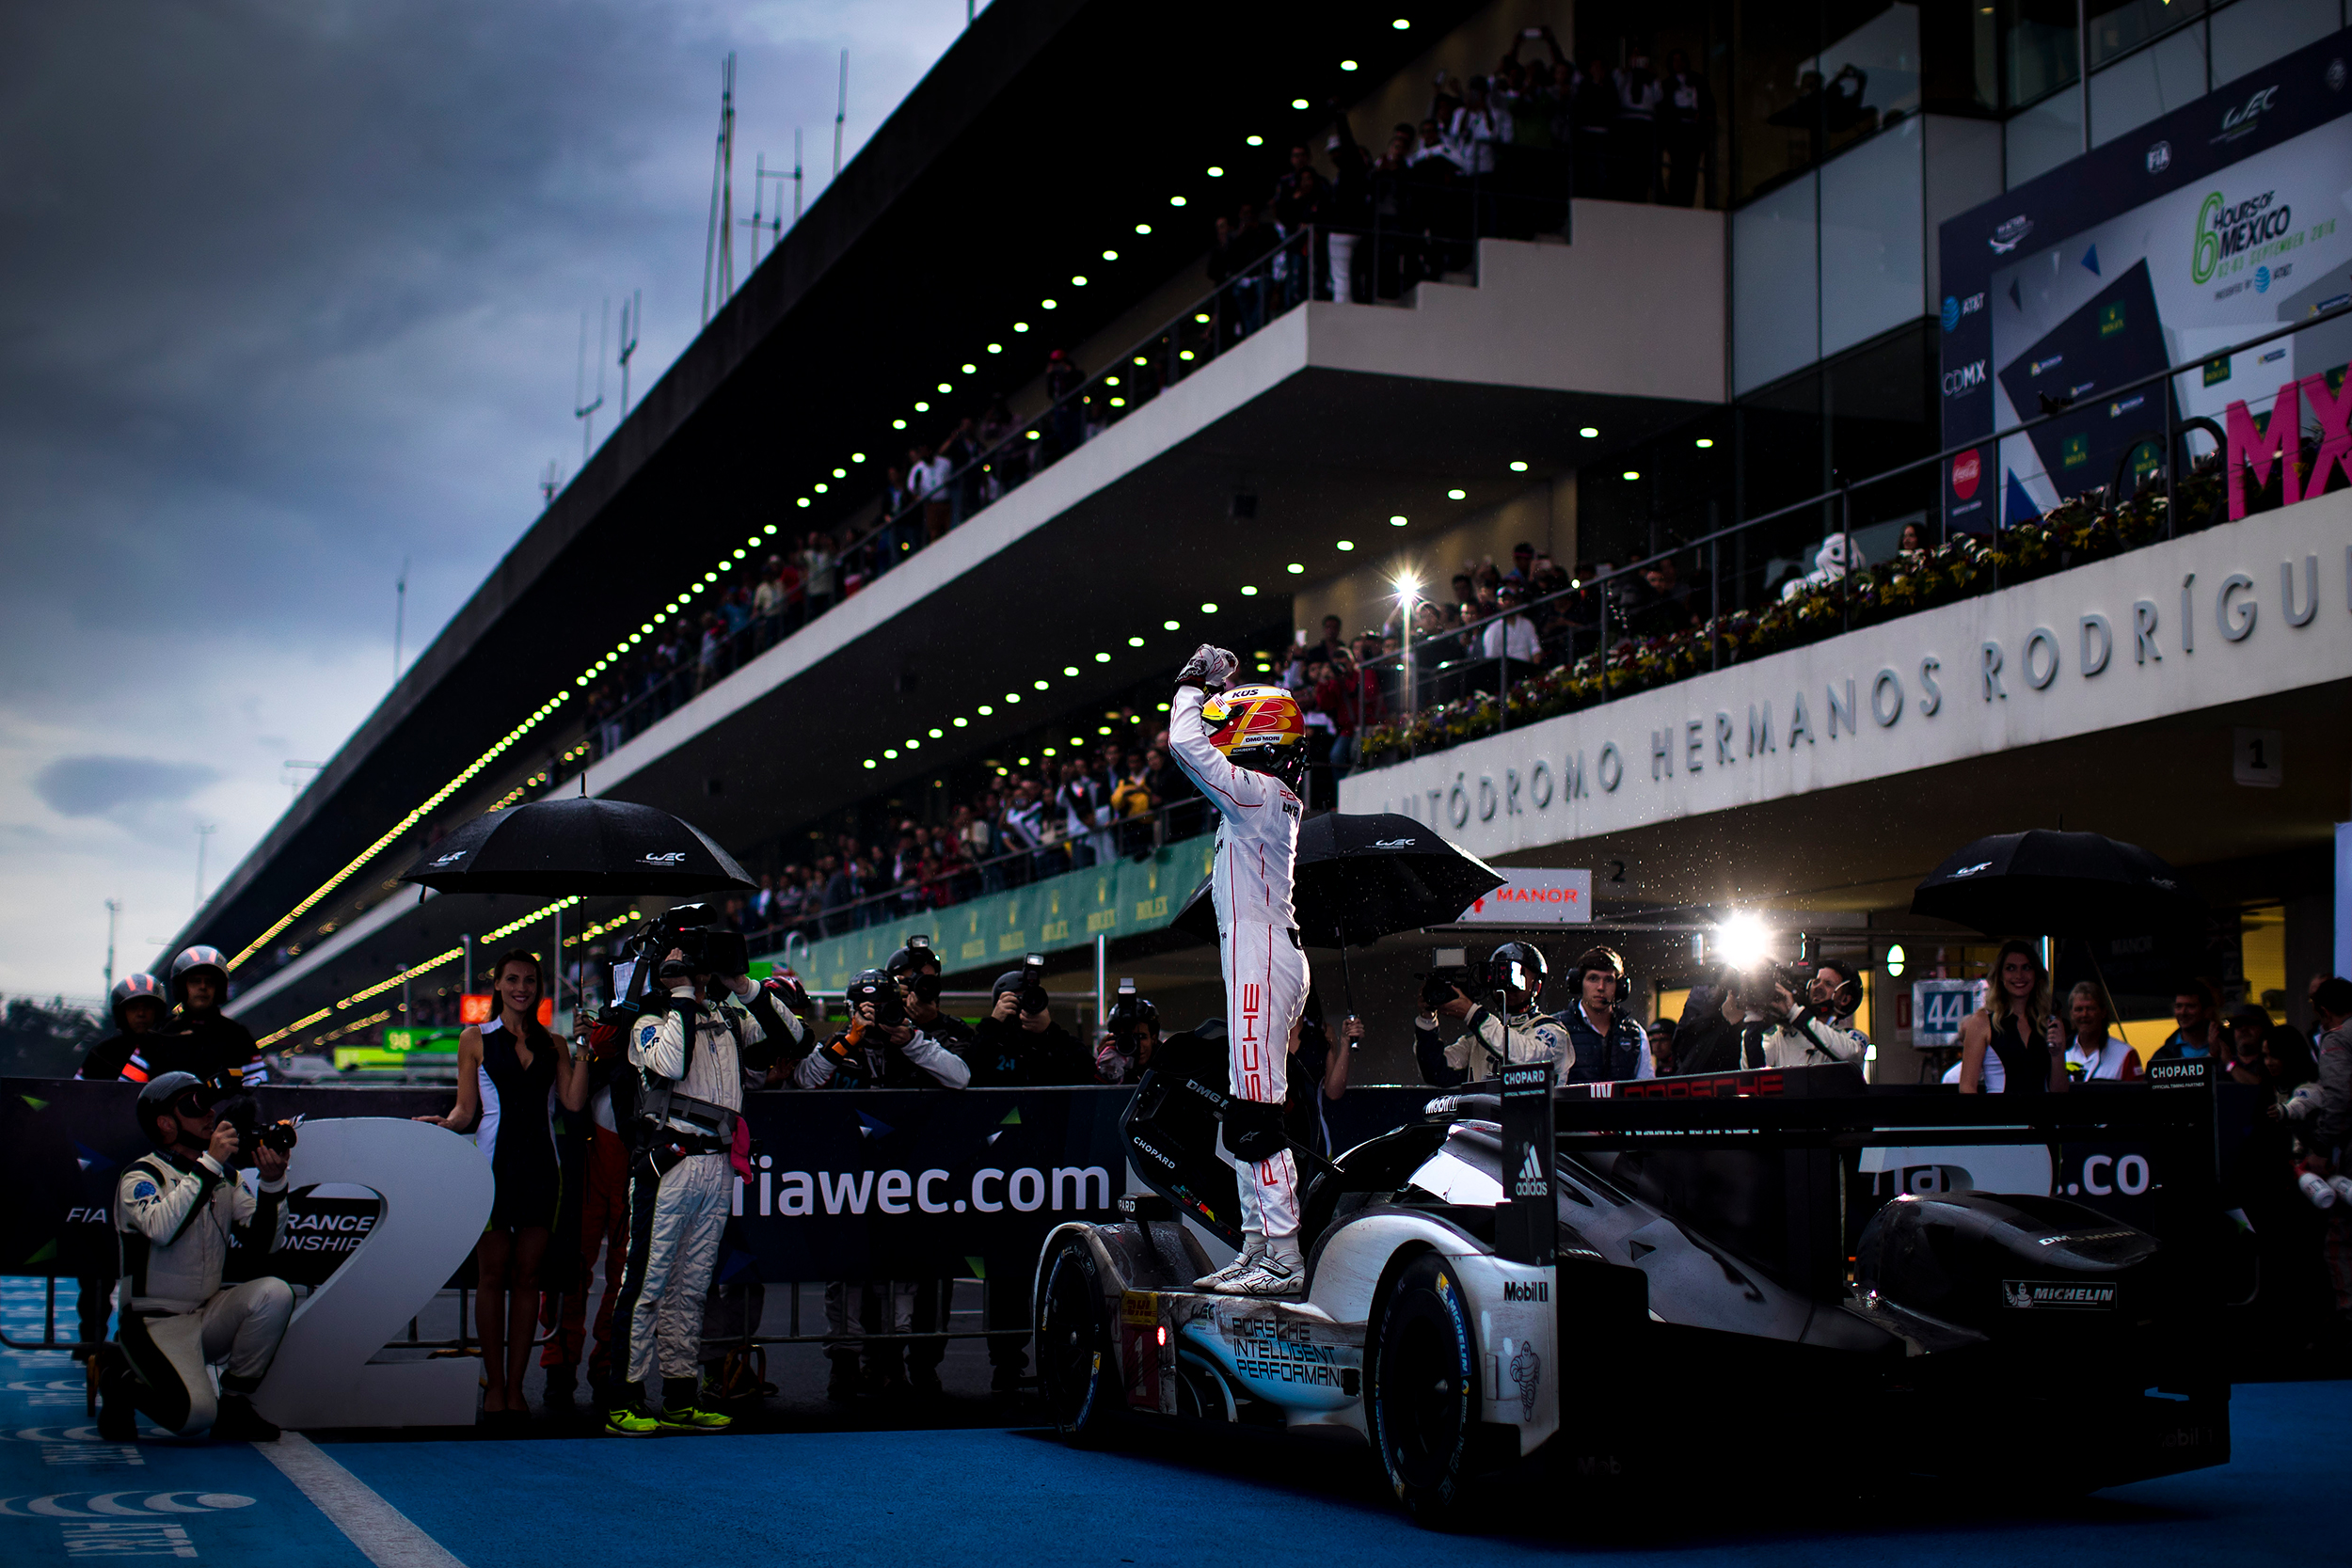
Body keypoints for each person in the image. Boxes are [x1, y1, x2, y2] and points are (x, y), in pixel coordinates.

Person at [605, 949, 812, 1436]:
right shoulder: (648, 1019)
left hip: (718, 1163)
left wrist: (744, 984)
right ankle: (624, 1397)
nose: (701, 971)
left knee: (692, 1287)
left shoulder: (727, 1015)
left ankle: (680, 1396)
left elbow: (795, 1039)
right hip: (670, 1161)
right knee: (646, 1286)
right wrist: (679, 994)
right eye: (690, 962)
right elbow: (672, 1064)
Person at [1168, 647, 1313, 1296]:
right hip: (1264, 951)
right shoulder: (1269, 796)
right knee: (1246, 1104)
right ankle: (1259, 1244)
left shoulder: (1256, 795)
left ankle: (1283, 1254)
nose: (1221, 736)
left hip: (1260, 955)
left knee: (1256, 1113)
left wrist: (1194, 681)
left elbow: (1182, 744)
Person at [414, 952, 591, 1418]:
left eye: (530, 980)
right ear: (497, 984)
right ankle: (494, 1387)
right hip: (490, 1171)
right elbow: (466, 1111)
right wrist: (446, 1125)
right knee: (491, 1278)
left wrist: (585, 1047)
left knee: (528, 1279)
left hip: (541, 1171)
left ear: (539, 987)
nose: (521, 988)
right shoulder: (474, 1038)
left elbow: (572, 1102)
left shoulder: (554, 1043)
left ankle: (516, 1388)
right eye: (512, 979)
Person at [99, 1071, 292, 1442]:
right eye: (194, 1108)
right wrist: (211, 1164)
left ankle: (235, 1403)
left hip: (205, 1313)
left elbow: (263, 1247)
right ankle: (119, 1380)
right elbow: (163, 1230)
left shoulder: (225, 1177)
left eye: (209, 1107)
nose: (210, 1116)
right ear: (165, 1124)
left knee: (275, 1293)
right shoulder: (141, 1176)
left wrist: (272, 1183)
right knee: (193, 1418)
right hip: (152, 1322)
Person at [1414, 942, 1578, 1086]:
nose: (1507, 982)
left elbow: (1527, 1059)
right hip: (1484, 1120)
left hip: (1533, 1120)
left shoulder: (1553, 1032)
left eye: (1516, 973)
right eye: (1500, 974)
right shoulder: (1476, 1041)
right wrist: (1427, 1020)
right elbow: (1436, 1072)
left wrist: (1472, 1014)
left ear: (1537, 985)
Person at [122, 947, 265, 1091]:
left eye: (209, 982)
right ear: (181, 988)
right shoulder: (157, 1036)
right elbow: (126, 1090)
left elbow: (260, 1092)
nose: (203, 987)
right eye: (195, 981)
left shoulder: (239, 1037)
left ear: (219, 988)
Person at [1957, 941, 2066, 1094]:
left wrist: (2057, 1054)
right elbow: (1967, 1086)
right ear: (2000, 976)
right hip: (2001, 1117)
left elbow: (2060, 1091)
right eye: (2010, 968)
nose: (2019, 975)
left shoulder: (2050, 1022)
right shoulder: (1982, 1022)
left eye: (2026, 967)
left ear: (2036, 973)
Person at [970, 970, 1093, 1085]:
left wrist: (1048, 1030)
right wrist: (994, 1024)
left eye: (1027, 999)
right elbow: (969, 1072)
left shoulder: (1053, 1041)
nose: (1022, 1006)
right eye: (1015, 1000)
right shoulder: (992, 1042)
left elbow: (1085, 1070)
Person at [1556, 946, 1651, 1084]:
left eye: (1609, 980)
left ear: (1620, 987)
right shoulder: (1556, 1029)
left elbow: (1645, 1088)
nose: (1601, 987)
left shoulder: (1635, 1034)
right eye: (1593, 978)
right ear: (1578, 983)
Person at [1759, 959, 1870, 1068]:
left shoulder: (1854, 1038)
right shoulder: (1783, 1034)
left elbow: (1848, 1054)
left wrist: (1795, 1013)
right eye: (1816, 981)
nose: (1818, 987)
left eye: (1828, 984)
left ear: (1844, 999)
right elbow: (1753, 1067)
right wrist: (1754, 1020)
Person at [1284, 994, 1354, 1159]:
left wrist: (1345, 1044)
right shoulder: (1266, 1033)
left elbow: (1333, 1091)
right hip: (1274, 1130)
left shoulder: (1321, 1032)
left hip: (1313, 1134)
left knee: (1315, 1182)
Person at [2147, 979, 2224, 1069]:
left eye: (2190, 1006)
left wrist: (2218, 1056)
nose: (2183, 1012)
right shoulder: (2163, 1055)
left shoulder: (2230, 1046)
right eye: (2178, 1006)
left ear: (2207, 1011)